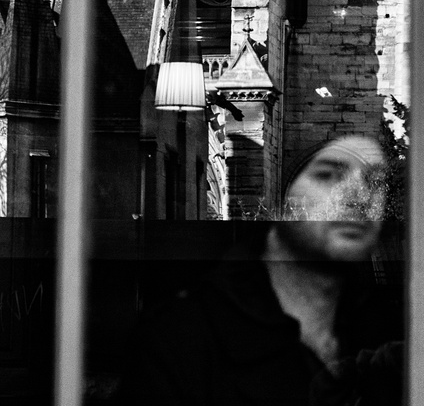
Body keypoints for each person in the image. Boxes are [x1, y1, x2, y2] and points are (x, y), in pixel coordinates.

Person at [117, 135, 403, 405]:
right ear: (288, 201)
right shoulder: (181, 339)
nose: (359, 198)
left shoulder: (391, 331)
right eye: (328, 175)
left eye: (375, 183)